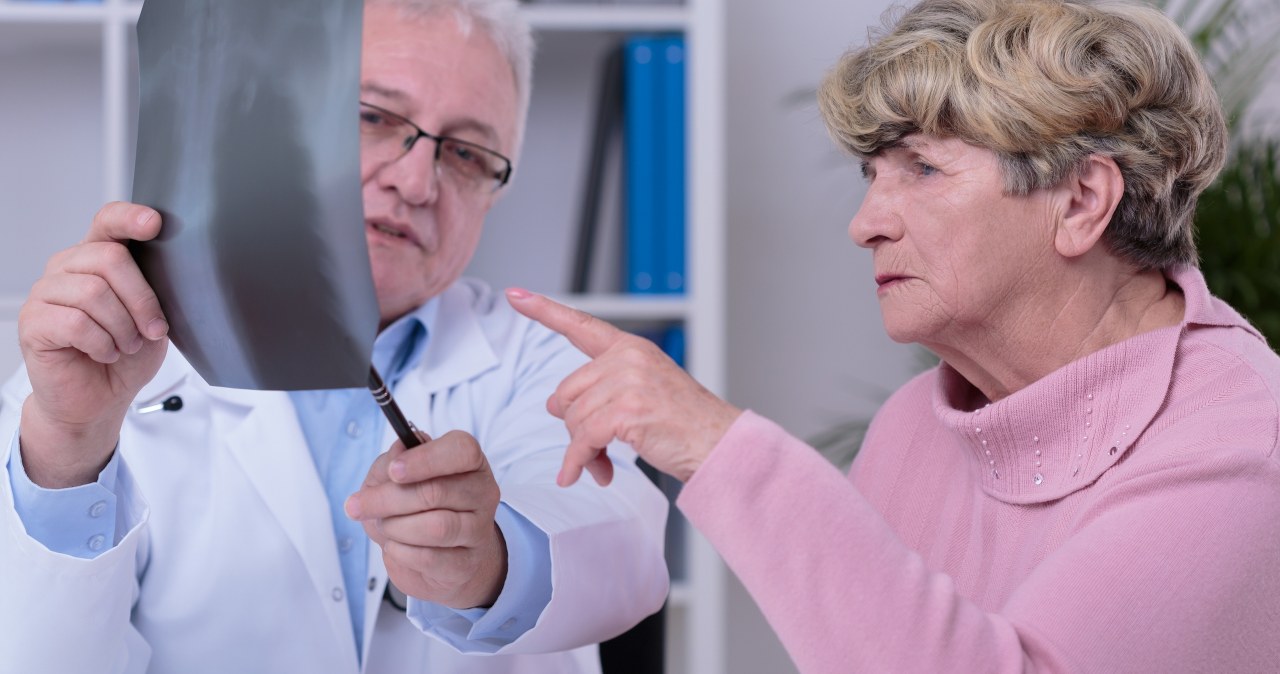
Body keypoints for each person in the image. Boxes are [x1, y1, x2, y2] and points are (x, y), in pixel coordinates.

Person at [507, 0, 1280, 671]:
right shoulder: (914, 427)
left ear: (1081, 200)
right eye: (872, 176)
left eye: (922, 169)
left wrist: (722, 449)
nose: (865, 224)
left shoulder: (1239, 443)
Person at [0, 1, 668, 672]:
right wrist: (69, 453)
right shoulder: (88, 366)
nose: (415, 182)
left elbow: (627, 550)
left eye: (467, 154)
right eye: (372, 117)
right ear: (276, 127)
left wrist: (485, 560)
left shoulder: (541, 360)